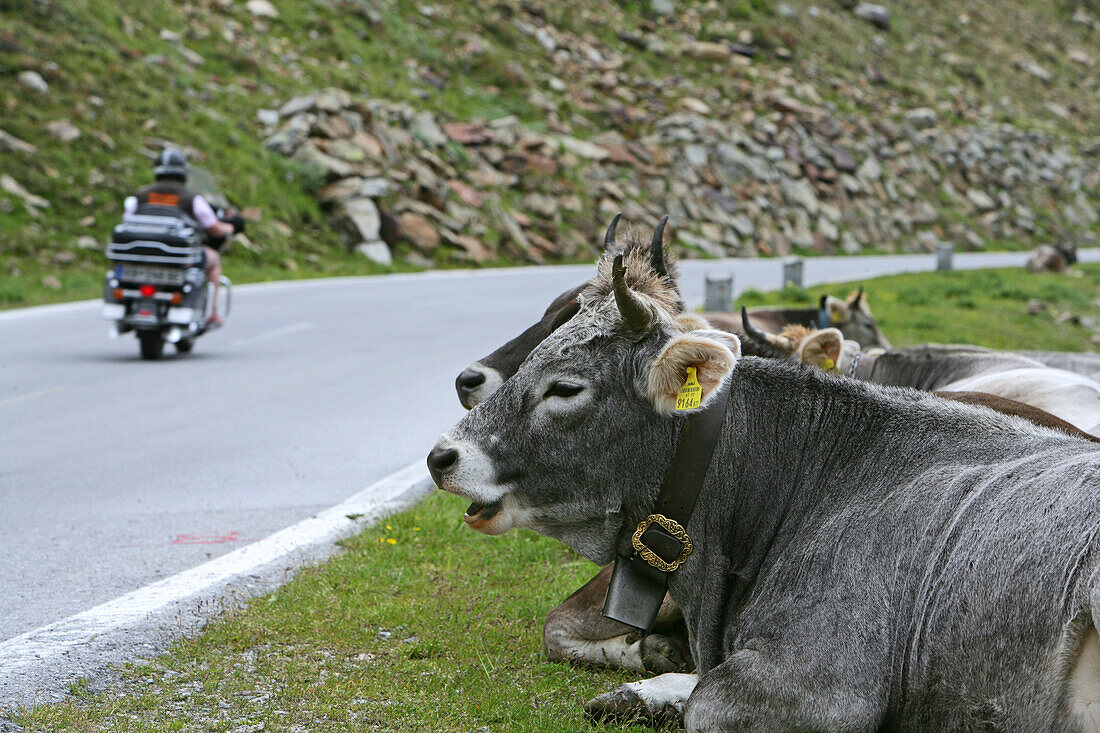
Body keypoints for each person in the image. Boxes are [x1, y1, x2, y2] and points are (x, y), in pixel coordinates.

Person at [123, 148, 243, 325]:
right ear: (183, 172)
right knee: (213, 260)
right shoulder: (191, 198)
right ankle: (211, 312)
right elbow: (213, 227)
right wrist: (228, 228)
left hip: (141, 256)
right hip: (178, 259)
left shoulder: (141, 195)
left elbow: (126, 221)